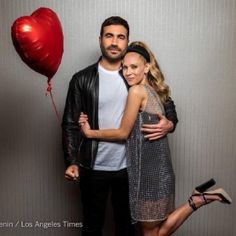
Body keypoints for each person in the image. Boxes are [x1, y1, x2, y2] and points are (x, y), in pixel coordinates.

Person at [79, 41, 232, 236]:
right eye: (124, 67)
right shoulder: (155, 91)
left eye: (134, 67)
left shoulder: (136, 91)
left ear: (147, 67)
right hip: (159, 171)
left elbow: (122, 133)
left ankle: (200, 199)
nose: (128, 72)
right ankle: (198, 199)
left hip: (149, 175)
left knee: (152, 233)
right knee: (154, 232)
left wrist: (89, 133)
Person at [61, 16, 178, 236]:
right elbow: (69, 123)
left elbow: (166, 102)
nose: (114, 42)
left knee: (126, 228)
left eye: (120, 37)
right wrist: (71, 161)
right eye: (109, 36)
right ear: (100, 40)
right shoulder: (81, 79)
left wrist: (169, 124)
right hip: (93, 166)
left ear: (127, 41)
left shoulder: (134, 74)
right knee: (92, 227)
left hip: (129, 168)